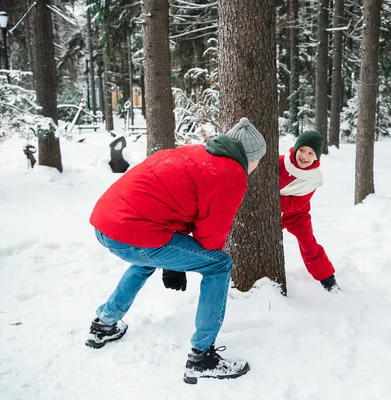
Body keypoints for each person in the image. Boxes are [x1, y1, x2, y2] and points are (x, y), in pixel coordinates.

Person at [85, 117, 266, 384]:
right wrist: (179, 262)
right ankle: (202, 357)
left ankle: (104, 324)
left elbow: (170, 204)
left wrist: (173, 262)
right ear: (251, 158)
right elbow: (210, 239)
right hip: (135, 235)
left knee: (145, 260)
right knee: (218, 264)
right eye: (259, 161)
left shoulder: (196, 152)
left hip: (106, 224)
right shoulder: (230, 173)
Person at [280, 130, 339, 292]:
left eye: (310, 153)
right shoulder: (281, 162)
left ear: (316, 157)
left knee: (308, 244)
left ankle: (326, 278)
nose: (304, 156)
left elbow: (297, 203)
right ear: (296, 149)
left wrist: (272, 201)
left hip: (296, 214)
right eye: (302, 150)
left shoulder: (313, 178)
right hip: (272, 213)